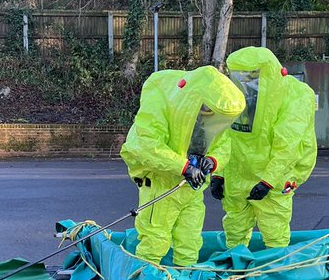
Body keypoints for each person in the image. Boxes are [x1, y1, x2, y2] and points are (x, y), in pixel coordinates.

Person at [120, 65, 245, 266]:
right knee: (154, 239)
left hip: (192, 189)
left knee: (190, 240)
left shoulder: (213, 117)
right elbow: (146, 145)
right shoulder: (164, 101)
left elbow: (224, 145)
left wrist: (212, 161)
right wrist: (184, 167)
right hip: (161, 185)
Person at [211, 47, 318, 249]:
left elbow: (287, 146)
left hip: (275, 177)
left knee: (274, 230)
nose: (245, 83)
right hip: (238, 174)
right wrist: (219, 174)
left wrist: (268, 182)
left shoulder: (295, 96)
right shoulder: (239, 97)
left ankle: (276, 273)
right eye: (240, 76)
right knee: (235, 229)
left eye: (250, 77)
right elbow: (225, 136)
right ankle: (237, 270)